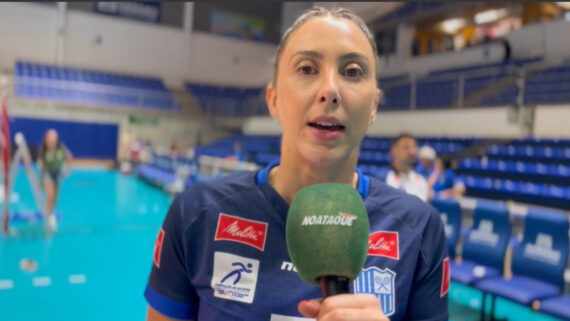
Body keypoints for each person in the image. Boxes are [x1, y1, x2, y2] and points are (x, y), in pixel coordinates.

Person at [145, 7, 448, 321]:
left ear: (373, 106)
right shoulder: (197, 213)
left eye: (353, 72)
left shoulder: (419, 229)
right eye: (306, 69)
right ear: (273, 99)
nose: (330, 90)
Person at [38, 129, 72, 231]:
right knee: (50, 194)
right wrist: (40, 181)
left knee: (54, 198)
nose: (51, 142)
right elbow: (41, 164)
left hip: (57, 174)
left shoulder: (61, 149)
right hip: (47, 173)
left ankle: (50, 212)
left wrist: (67, 171)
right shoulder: (44, 150)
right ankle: (48, 215)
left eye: (53, 139)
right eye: (49, 139)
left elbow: (70, 157)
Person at [385, 134, 430, 202]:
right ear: (393, 151)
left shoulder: (422, 182)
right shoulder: (383, 179)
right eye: (406, 147)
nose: (412, 152)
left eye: (414, 147)